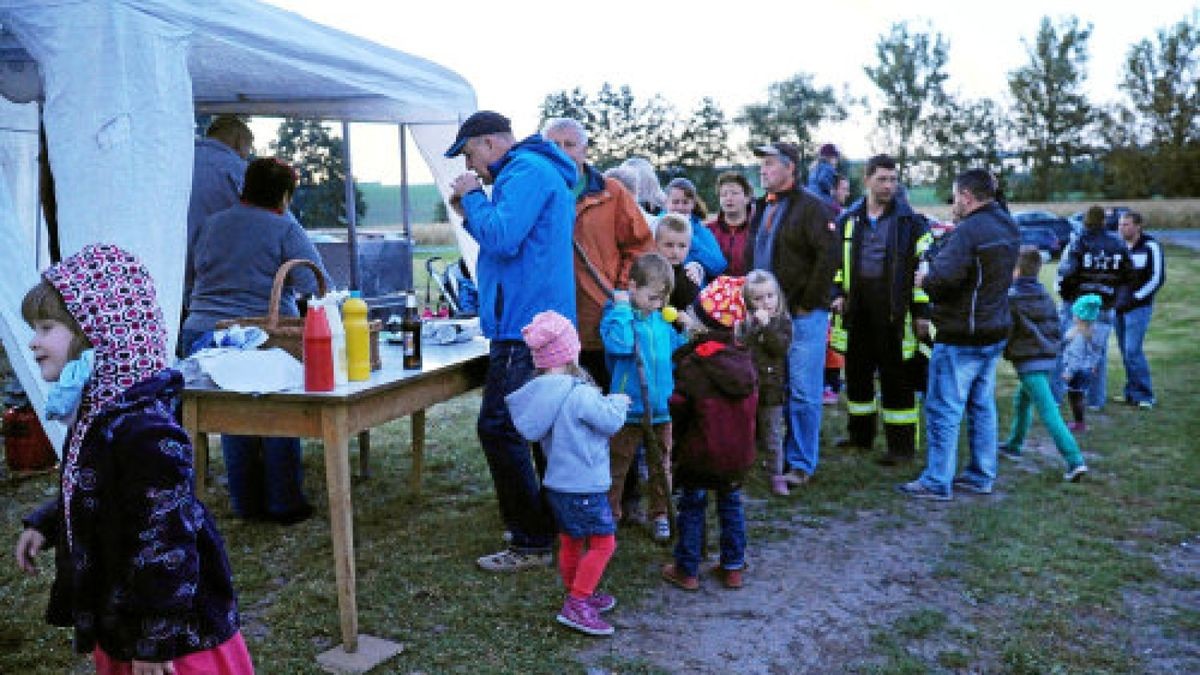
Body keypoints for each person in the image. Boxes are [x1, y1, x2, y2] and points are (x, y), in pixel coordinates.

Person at [14, 244, 254, 674]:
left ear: (99, 334)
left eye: (46, 327)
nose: (33, 341)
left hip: (172, 640)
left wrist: (154, 641)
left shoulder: (143, 431)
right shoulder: (97, 414)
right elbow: (101, 491)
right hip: (123, 617)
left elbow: (165, 542)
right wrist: (49, 522)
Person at [446, 110, 577, 571]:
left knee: (500, 427)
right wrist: (475, 208)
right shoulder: (535, 170)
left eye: (469, 154)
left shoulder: (524, 170)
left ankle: (531, 540)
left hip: (525, 326)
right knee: (539, 428)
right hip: (532, 319)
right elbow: (511, 239)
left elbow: (501, 237)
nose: (471, 167)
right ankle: (557, 525)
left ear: (487, 143)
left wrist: (472, 198)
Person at [183, 156, 325, 525]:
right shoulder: (284, 228)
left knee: (235, 416)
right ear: (284, 194)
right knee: (277, 412)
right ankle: (284, 502)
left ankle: (245, 501)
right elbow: (315, 284)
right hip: (259, 333)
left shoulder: (210, 224)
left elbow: (187, 277)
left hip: (201, 332)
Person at [505, 311, 630, 637]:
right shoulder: (579, 393)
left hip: (558, 484)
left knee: (572, 540)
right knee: (604, 543)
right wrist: (618, 401)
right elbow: (610, 422)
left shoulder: (541, 393)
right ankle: (578, 601)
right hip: (585, 485)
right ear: (569, 352)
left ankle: (578, 591)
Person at [899, 168, 1019, 501]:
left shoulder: (968, 231)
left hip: (962, 334)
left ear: (966, 196)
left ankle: (938, 479)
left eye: (955, 197)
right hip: (993, 330)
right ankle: (982, 474)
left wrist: (925, 278)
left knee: (943, 407)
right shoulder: (1007, 224)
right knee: (981, 405)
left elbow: (945, 278)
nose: (953, 204)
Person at [749, 141, 841, 486]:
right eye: (762, 164)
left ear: (790, 168)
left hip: (803, 315)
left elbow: (828, 258)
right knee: (771, 385)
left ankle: (801, 462)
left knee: (803, 390)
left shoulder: (813, 208)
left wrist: (807, 302)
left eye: (770, 163)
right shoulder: (763, 207)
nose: (763, 169)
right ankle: (772, 455)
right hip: (766, 313)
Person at [830, 154, 931, 466]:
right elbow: (834, 264)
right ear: (867, 179)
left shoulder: (911, 223)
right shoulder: (848, 220)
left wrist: (922, 313)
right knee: (857, 375)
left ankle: (901, 447)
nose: (888, 186)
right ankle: (860, 437)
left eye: (893, 180)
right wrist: (835, 293)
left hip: (895, 312)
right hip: (856, 309)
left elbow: (924, 270)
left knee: (897, 378)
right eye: (882, 179)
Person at [542, 118, 655, 390]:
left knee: (603, 400)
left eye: (569, 144)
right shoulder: (537, 191)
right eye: (554, 145)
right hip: (549, 320)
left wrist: (621, 290)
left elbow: (640, 246)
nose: (561, 150)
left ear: (585, 150)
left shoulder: (612, 192)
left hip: (599, 317)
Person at [661, 276, 758, 591]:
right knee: (731, 505)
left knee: (693, 505)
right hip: (736, 454)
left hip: (700, 452)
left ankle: (687, 569)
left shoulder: (694, 364)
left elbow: (680, 406)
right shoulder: (743, 360)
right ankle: (733, 566)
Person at [600, 252, 688, 543]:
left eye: (663, 299)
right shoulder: (617, 318)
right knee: (617, 464)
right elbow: (622, 345)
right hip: (626, 410)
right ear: (632, 287)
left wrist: (686, 331)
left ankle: (660, 514)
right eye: (653, 297)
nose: (658, 305)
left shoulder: (661, 321)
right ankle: (608, 516)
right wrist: (624, 309)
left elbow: (676, 353)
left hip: (660, 409)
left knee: (660, 464)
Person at [999, 246, 1088, 482]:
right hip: (1048, 358)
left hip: (1029, 362)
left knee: (1049, 412)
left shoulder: (1011, 298)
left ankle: (1074, 460)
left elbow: (1006, 329)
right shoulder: (1045, 294)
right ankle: (1014, 444)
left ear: (1016, 271)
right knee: (1022, 400)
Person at [1054, 205, 1131, 411]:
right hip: (1104, 305)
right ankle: (1095, 400)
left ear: (1085, 220)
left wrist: (1066, 295)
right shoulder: (1118, 242)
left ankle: (1057, 397)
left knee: (1066, 350)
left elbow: (1068, 273)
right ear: (1103, 221)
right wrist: (1114, 298)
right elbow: (1128, 275)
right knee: (1098, 353)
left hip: (1078, 304)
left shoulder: (1079, 241)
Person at [185, 115, 254, 325]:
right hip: (216, 278)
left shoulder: (182, 158)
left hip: (174, 263)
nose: (246, 154)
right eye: (247, 148)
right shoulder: (235, 168)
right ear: (238, 140)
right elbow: (263, 212)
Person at [737, 270, 792, 496]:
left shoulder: (782, 322)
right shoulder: (745, 322)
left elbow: (779, 347)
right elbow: (741, 346)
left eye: (770, 296)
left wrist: (767, 327)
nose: (765, 302)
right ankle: (741, 469)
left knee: (772, 433)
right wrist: (753, 326)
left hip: (772, 388)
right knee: (745, 430)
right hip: (748, 386)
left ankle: (776, 475)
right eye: (758, 298)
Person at [1113, 210, 1164, 409]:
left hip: (1139, 308)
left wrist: (1136, 298)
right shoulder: (1118, 246)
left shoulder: (1151, 246)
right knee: (1126, 352)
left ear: (1138, 226)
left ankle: (1145, 396)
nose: (1121, 228)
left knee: (1133, 351)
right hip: (1118, 308)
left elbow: (1157, 278)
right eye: (1120, 225)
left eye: (1126, 224)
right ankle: (1131, 393)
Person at [663, 176, 728, 283]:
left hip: (695, 295)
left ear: (693, 204)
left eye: (685, 202)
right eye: (675, 202)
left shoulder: (701, 231)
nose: (680, 207)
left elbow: (719, 267)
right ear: (666, 202)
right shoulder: (655, 227)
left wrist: (689, 239)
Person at [1062, 294, 1110, 433]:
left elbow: (1075, 358)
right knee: (1081, 396)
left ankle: (1079, 423)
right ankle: (1080, 422)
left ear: (1079, 317)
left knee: (1075, 398)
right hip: (1088, 369)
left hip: (1077, 372)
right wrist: (1093, 365)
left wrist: (1069, 372)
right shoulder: (1095, 333)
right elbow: (1097, 354)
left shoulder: (1078, 337)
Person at [706, 171, 755, 276]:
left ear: (747, 198)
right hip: (715, 290)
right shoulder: (708, 231)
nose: (728, 198)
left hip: (750, 289)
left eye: (734, 193)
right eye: (723, 194)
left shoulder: (760, 229)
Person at [656, 213, 700, 312]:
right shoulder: (647, 273)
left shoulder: (690, 279)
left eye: (682, 246)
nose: (675, 252)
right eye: (669, 245)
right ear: (656, 244)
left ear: (689, 247)